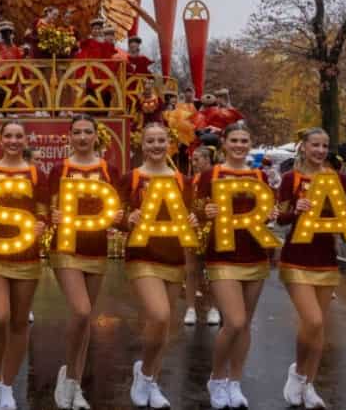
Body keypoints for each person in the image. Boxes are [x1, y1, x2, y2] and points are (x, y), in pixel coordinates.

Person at [198, 122, 277, 408]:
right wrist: (205, 211)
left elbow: (269, 212)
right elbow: (194, 210)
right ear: (224, 144)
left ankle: (235, 382)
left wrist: (271, 214)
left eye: (245, 140)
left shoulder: (260, 176)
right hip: (222, 255)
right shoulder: (211, 175)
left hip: (255, 254)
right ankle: (217, 378)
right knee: (235, 321)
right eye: (234, 140)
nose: (240, 145)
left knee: (245, 326)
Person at [277, 127, 346, 409]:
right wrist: (295, 208)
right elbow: (280, 219)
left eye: (324, 146)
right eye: (315, 145)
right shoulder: (290, 179)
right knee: (313, 321)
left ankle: (309, 384)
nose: (320, 151)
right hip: (296, 256)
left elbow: (344, 223)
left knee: (319, 328)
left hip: (326, 258)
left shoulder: (339, 179)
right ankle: (297, 372)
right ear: (304, 147)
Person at [47, 115, 121, 409]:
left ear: (95, 135)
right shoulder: (58, 169)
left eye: (86, 132)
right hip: (65, 247)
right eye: (76, 132)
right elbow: (47, 205)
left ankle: (75, 384)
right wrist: (50, 217)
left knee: (86, 319)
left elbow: (120, 206)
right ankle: (66, 375)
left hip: (96, 247)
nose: (81, 137)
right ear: (69, 136)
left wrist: (119, 216)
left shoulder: (108, 170)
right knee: (81, 311)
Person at [0, 121, 47, 410]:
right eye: (9, 136)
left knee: (18, 322)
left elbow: (43, 210)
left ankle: (7, 385)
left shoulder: (36, 173)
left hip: (26, 255)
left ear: (25, 140)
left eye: (19, 136)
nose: (14, 141)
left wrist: (43, 224)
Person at [120, 123, 194, 409]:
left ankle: (150, 378)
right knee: (160, 315)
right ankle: (145, 375)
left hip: (173, 256)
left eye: (161, 140)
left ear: (169, 144)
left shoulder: (182, 180)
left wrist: (195, 219)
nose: (156, 146)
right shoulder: (132, 177)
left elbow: (193, 212)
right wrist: (128, 218)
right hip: (142, 254)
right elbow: (115, 214)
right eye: (150, 141)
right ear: (142, 145)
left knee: (164, 325)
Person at [183, 147, 219, 328]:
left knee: (212, 271)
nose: (194, 163)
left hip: (214, 229)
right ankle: (190, 308)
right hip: (193, 227)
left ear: (207, 159)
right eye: (192, 159)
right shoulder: (189, 181)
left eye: (197, 159)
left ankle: (212, 307)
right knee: (191, 270)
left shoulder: (218, 178)